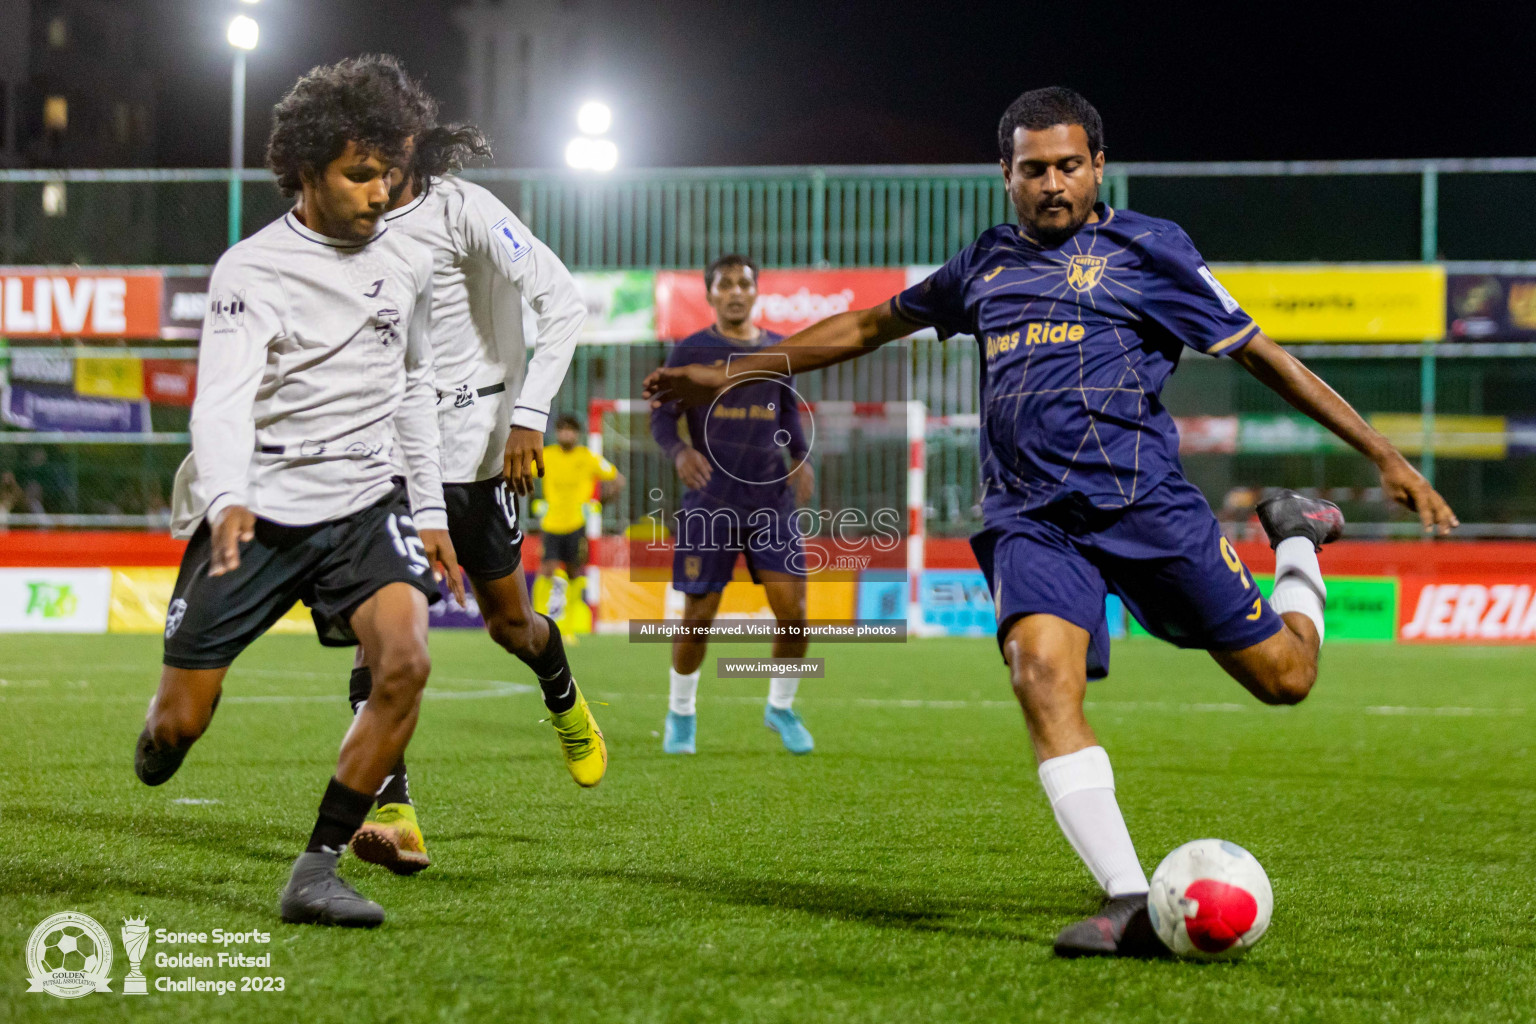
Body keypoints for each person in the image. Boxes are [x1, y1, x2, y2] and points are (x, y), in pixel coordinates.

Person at [644, 87, 1459, 955]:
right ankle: (1129, 899)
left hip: (1146, 507)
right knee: (1040, 677)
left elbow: (1260, 353)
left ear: (1098, 166)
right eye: (1033, 169)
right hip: (1031, 520)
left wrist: (1382, 453)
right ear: (1006, 176)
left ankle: (1296, 534)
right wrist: (737, 368)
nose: (1053, 183)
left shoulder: (1150, 249)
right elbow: (871, 324)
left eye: (1069, 165)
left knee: (1286, 678)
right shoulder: (984, 265)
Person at [135, 56, 465, 928]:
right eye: (360, 175)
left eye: (391, 176)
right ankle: (166, 725)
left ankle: (315, 869)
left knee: (406, 662)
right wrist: (227, 495)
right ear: (307, 170)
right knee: (180, 724)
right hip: (259, 511)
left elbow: (416, 388)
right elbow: (222, 398)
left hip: (363, 502)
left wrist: (426, 510)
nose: (381, 195)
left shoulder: (409, 263)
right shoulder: (252, 270)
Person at [344, 65, 606, 877]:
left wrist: (528, 415)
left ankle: (560, 689)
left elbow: (563, 303)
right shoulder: (345, 220)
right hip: (387, 455)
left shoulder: (464, 210)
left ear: (411, 139)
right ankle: (395, 814)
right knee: (384, 641)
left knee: (508, 625)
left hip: (481, 453)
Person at [649, 254, 817, 756]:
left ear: (756, 290)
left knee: (796, 615)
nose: (737, 291)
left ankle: (780, 707)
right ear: (711, 294)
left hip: (770, 499)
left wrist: (801, 457)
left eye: (745, 283)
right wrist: (679, 451)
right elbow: (662, 416)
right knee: (698, 617)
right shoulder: (692, 349)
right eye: (726, 284)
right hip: (710, 501)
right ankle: (681, 713)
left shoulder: (776, 351)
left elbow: (789, 409)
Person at [536, 414, 624, 622]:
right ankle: (539, 616)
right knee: (547, 570)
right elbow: (523, 473)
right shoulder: (547, 455)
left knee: (575, 571)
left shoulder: (587, 457)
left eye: (570, 430)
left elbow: (618, 480)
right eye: (562, 429)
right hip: (551, 522)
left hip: (576, 522)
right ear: (557, 433)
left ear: (577, 434)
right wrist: (535, 499)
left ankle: (570, 623)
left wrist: (599, 503)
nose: (566, 434)